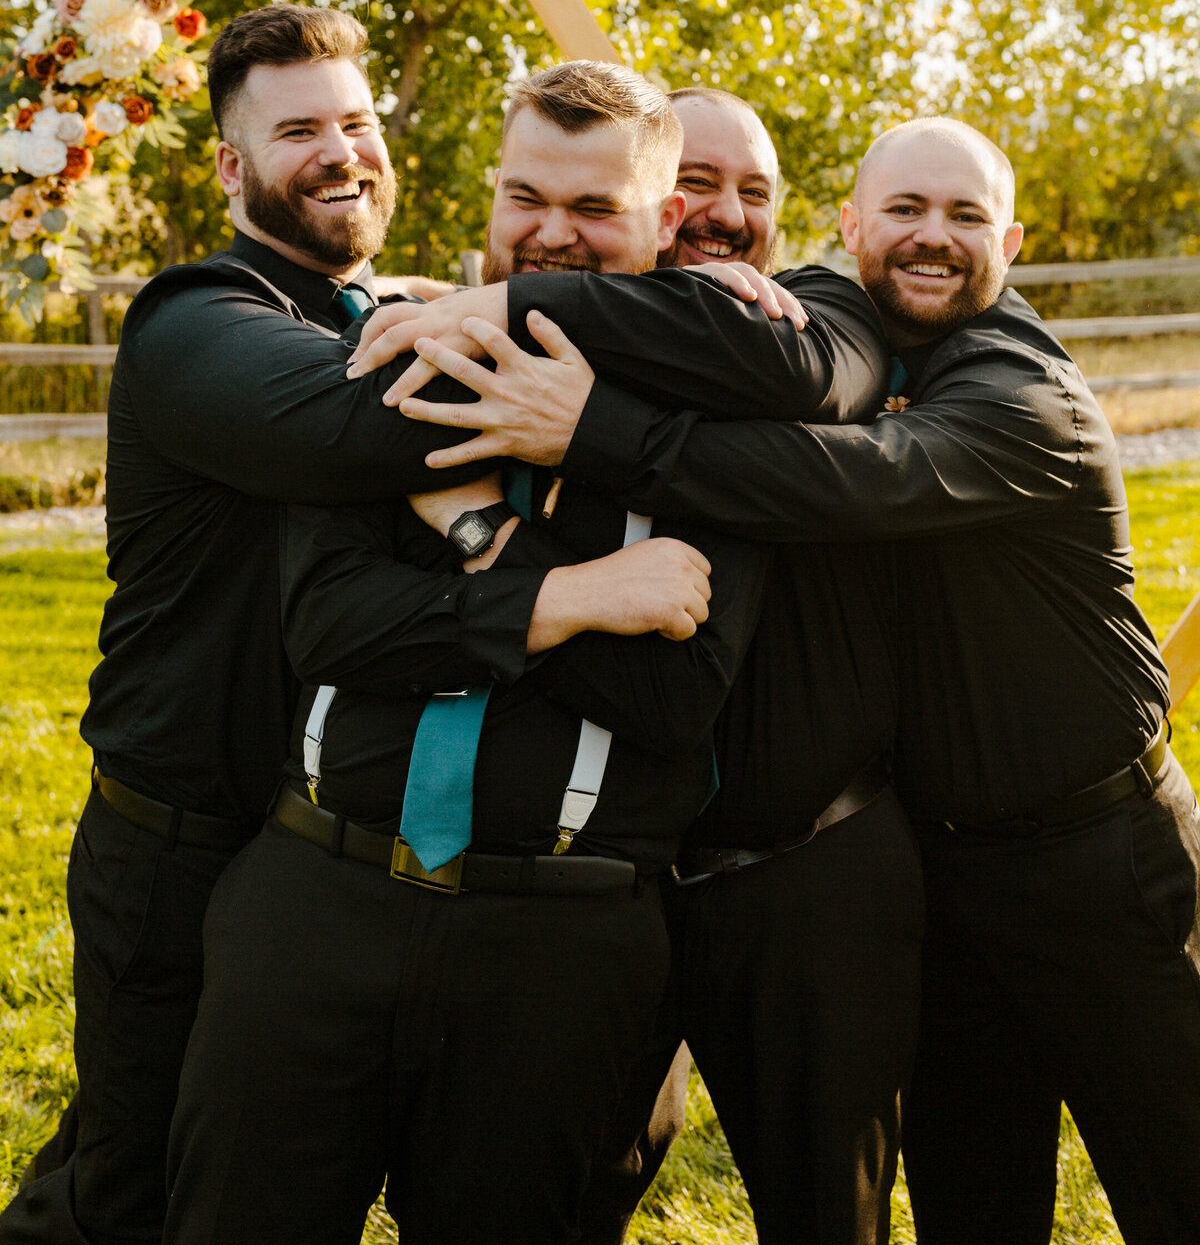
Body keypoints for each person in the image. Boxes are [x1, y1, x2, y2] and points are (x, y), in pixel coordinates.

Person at [364, 115, 1200, 1245]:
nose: (931, 239)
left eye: (962, 217)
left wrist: (580, 419)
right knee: (977, 1192)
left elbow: (865, 480)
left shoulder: (1023, 392)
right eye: (903, 210)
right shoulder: (818, 316)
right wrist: (471, 295)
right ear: (850, 228)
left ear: (1012, 240)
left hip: (1101, 860)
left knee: (1175, 1167)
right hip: (945, 871)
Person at [161, 62, 776, 1245]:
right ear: (491, 198)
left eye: (596, 210)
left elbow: (672, 700)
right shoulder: (400, 362)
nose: (554, 233)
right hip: (314, 904)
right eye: (526, 197)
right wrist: (575, 592)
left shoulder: (716, 428)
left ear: (665, 223)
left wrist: (475, 547)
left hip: (560, 945)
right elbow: (332, 624)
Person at [0, 4, 586, 1245]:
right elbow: (363, 426)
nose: (342, 151)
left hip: (315, 854)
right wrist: (636, 331)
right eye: (300, 130)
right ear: (229, 165)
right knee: (129, 1183)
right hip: (181, 844)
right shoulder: (196, 325)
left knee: (253, 1182)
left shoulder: (377, 306)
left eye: (359, 122)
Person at [348, 85, 923, 1245]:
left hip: (797, 863)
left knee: (823, 1205)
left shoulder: (814, 313)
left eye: (753, 192)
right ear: (664, 211)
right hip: (624, 882)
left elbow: (801, 379)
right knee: (583, 1173)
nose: (722, 216)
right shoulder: (535, 331)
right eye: (698, 187)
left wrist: (513, 325)